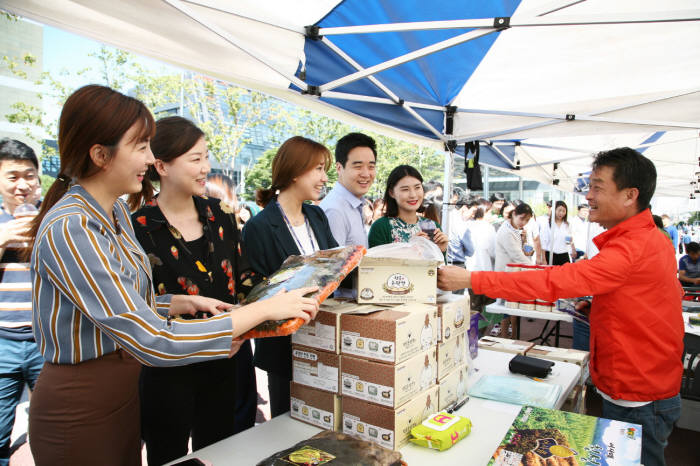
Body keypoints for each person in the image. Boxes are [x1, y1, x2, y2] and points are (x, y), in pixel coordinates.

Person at [26, 85, 319, 465]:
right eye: (140, 146)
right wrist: (259, 312)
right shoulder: (73, 227)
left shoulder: (112, 215)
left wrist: (177, 301)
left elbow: (125, 306)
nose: (150, 158)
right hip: (83, 399)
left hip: (121, 391)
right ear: (100, 155)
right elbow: (147, 337)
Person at [438, 147, 683, 466]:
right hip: (642, 381)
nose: (588, 196)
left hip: (638, 391)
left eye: (597, 187)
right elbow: (656, 298)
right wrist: (601, 305)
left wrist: (471, 279)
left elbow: (551, 282)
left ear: (629, 195)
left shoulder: (631, 248)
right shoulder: (652, 238)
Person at [128, 117, 259, 465]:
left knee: (219, 450)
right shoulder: (136, 227)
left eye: (206, 157)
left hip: (225, 357)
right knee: (166, 454)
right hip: (169, 366)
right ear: (162, 166)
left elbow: (244, 278)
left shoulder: (222, 214)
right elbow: (137, 304)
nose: (206, 168)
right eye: (195, 159)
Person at [242, 136, 338, 419]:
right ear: (296, 171)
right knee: (288, 423)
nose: (324, 177)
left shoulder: (316, 215)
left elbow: (333, 264)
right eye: (318, 168)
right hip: (285, 348)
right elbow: (257, 290)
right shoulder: (259, 226)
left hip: (323, 338)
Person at [0, 139, 44, 466]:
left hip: (45, 341)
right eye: (13, 177)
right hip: (3, 342)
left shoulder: (50, 217)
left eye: (29, 176)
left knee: (51, 429)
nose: (22, 185)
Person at [367, 165, 448, 253]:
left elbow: (441, 266)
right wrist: (411, 249)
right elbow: (377, 264)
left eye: (417, 187)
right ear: (391, 193)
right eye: (405, 189)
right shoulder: (381, 227)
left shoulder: (432, 225)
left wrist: (440, 250)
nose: (413, 195)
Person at [320, 132, 376, 248]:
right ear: (339, 168)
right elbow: (334, 264)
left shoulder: (355, 203)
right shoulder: (335, 210)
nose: (366, 174)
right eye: (358, 166)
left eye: (371, 166)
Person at [493, 202, 534, 337]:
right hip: (506, 274)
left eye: (527, 220)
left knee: (512, 310)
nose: (524, 222)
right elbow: (516, 255)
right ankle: (506, 339)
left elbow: (520, 253)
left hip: (513, 274)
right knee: (507, 310)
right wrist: (535, 270)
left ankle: (513, 337)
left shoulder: (515, 230)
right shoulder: (506, 231)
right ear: (514, 214)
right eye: (522, 218)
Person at [540, 200, 576, 265]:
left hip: (564, 254)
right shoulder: (547, 224)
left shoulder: (567, 225)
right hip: (550, 255)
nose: (561, 213)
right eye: (559, 210)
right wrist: (543, 259)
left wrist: (573, 249)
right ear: (554, 210)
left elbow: (570, 239)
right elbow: (543, 243)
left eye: (563, 211)